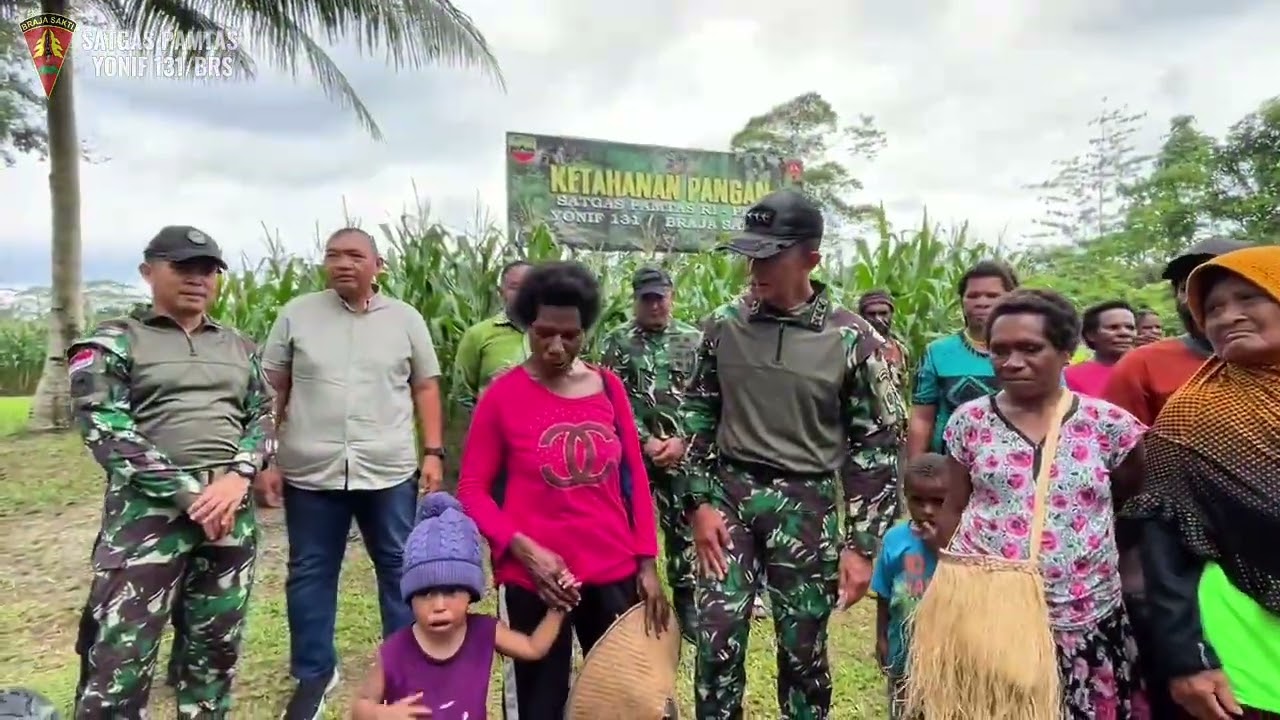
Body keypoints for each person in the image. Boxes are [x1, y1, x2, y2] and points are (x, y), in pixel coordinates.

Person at [680, 189, 905, 719]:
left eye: (770, 255)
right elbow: (697, 414)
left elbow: (876, 444)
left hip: (808, 504)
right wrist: (699, 503)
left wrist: (862, 546)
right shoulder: (723, 325)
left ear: (811, 258)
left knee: (802, 648)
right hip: (730, 494)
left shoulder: (852, 339)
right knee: (716, 639)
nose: (754, 266)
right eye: (750, 253)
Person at [908, 289, 1147, 719]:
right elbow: (954, 507)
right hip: (991, 616)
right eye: (999, 351)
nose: (1012, 362)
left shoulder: (1108, 424)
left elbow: (1132, 497)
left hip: (1081, 614)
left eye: (1030, 349)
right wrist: (952, 588)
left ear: (1066, 351)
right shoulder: (970, 420)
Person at [69, 226, 272, 719]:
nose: (197, 279)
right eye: (183, 267)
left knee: (214, 652)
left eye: (208, 270)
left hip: (229, 515)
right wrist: (188, 493)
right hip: (147, 519)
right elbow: (106, 430)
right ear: (148, 272)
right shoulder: (112, 342)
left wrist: (238, 475)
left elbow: (263, 414)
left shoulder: (240, 346)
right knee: (122, 656)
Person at [456, 260, 671, 719]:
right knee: (539, 702)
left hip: (611, 571)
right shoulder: (502, 397)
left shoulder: (608, 388)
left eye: (570, 335)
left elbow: (633, 478)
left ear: (585, 331)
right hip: (534, 581)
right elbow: (472, 489)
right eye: (544, 332)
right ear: (527, 326)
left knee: (620, 698)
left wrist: (647, 563)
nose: (556, 346)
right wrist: (524, 550)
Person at [258, 228, 446, 720]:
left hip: (387, 471)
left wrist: (433, 452)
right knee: (309, 572)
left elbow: (426, 386)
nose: (343, 263)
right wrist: (268, 457)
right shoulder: (297, 314)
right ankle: (314, 672)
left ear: (377, 265)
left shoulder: (405, 319)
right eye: (333, 255)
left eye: (355, 256)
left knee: (399, 568)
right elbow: (272, 388)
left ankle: (406, 667)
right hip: (311, 471)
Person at [1124, 245, 1280, 720]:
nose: (1228, 317)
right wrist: (1186, 656)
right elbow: (1163, 543)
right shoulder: (1193, 415)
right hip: (1243, 643)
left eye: (1247, 299)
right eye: (1212, 308)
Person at [1101, 237, 1250, 719]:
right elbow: (1119, 468)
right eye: (1189, 288)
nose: (1209, 304)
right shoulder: (1145, 366)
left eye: (1239, 294)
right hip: (1173, 558)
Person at [351, 493, 574, 720]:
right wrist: (382, 714)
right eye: (425, 593)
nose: (439, 605)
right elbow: (360, 706)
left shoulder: (484, 632)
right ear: (409, 597)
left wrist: (559, 607)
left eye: (451, 592)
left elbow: (533, 648)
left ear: (470, 594)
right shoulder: (395, 652)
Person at [598, 266, 702, 641]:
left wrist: (681, 441)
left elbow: (705, 399)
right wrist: (641, 440)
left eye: (660, 297)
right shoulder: (616, 342)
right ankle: (631, 601)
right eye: (647, 299)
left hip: (681, 453)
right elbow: (608, 397)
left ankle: (687, 605)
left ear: (671, 295)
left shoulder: (694, 340)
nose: (655, 305)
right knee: (627, 527)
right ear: (636, 299)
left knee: (683, 529)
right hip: (631, 453)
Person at [906, 260, 1018, 459]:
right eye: (973, 296)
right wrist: (916, 468)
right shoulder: (938, 353)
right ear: (962, 301)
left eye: (992, 296)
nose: (981, 302)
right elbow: (922, 418)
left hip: (1017, 469)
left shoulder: (1033, 352)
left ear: (1012, 299)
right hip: (951, 467)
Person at [872, 453, 949, 720]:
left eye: (938, 502)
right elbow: (883, 593)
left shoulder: (959, 541)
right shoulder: (895, 540)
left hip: (948, 659)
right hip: (903, 655)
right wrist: (881, 638)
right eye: (918, 500)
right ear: (906, 497)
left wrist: (938, 546)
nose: (927, 509)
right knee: (904, 711)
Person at [451, 259, 533, 411]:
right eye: (514, 287)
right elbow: (462, 395)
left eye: (530, 287)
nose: (523, 294)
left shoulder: (553, 335)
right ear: (501, 292)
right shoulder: (477, 334)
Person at [1064, 300, 1136, 396]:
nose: (1124, 333)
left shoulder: (1149, 371)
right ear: (1091, 335)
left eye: (1130, 328)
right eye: (1113, 328)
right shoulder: (1069, 377)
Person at [858, 289, 911, 393]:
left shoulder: (901, 351)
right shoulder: (853, 350)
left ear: (891, 314)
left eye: (883, 313)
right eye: (871, 314)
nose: (878, 319)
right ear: (862, 317)